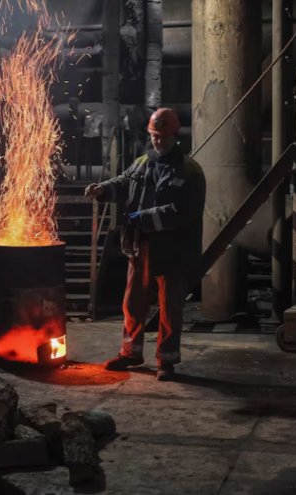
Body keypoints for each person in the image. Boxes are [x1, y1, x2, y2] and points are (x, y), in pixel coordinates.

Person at [85, 108, 206, 381]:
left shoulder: (190, 171)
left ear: (175, 135)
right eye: (154, 136)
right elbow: (125, 181)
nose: (158, 141)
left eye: (163, 137)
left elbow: (184, 212)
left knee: (169, 307)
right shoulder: (142, 162)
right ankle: (131, 353)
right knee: (133, 302)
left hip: (173, 251)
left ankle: (167, 361)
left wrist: (144, 217)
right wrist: (103, 189)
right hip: (141, 246)